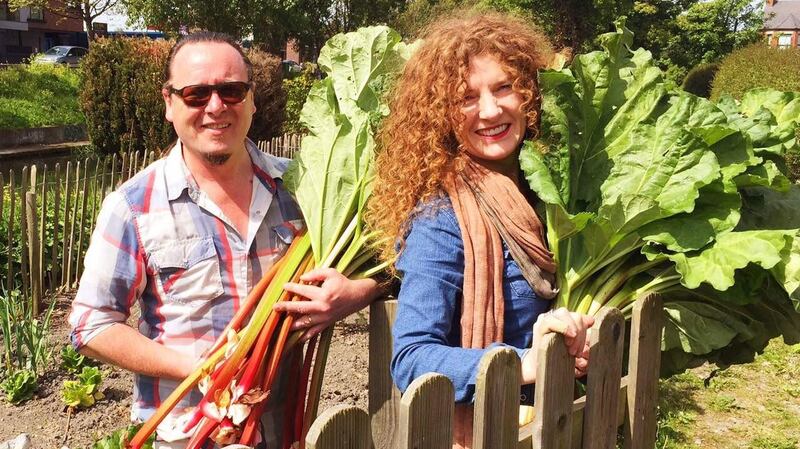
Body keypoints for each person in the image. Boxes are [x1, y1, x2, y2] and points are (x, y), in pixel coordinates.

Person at [68, 32, 381, 447]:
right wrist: (196, 368)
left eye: (231, 91)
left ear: (251, 100)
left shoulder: (301, 188)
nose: (216, 107)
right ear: (169, 103)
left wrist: (357, 292)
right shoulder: (133, 207)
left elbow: (394, 260)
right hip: (190, 434)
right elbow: (91, 326)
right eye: (196, 94)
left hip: (287, 433)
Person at [366, 12, 594, 449]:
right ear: (441, 114)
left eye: (504, 86)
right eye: (466, 97)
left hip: (564, 422)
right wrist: (525, 362)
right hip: (490, 430)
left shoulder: (557, 191)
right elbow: (411, 359)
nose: (490, 110)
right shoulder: (441, 216)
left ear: (530, 91)